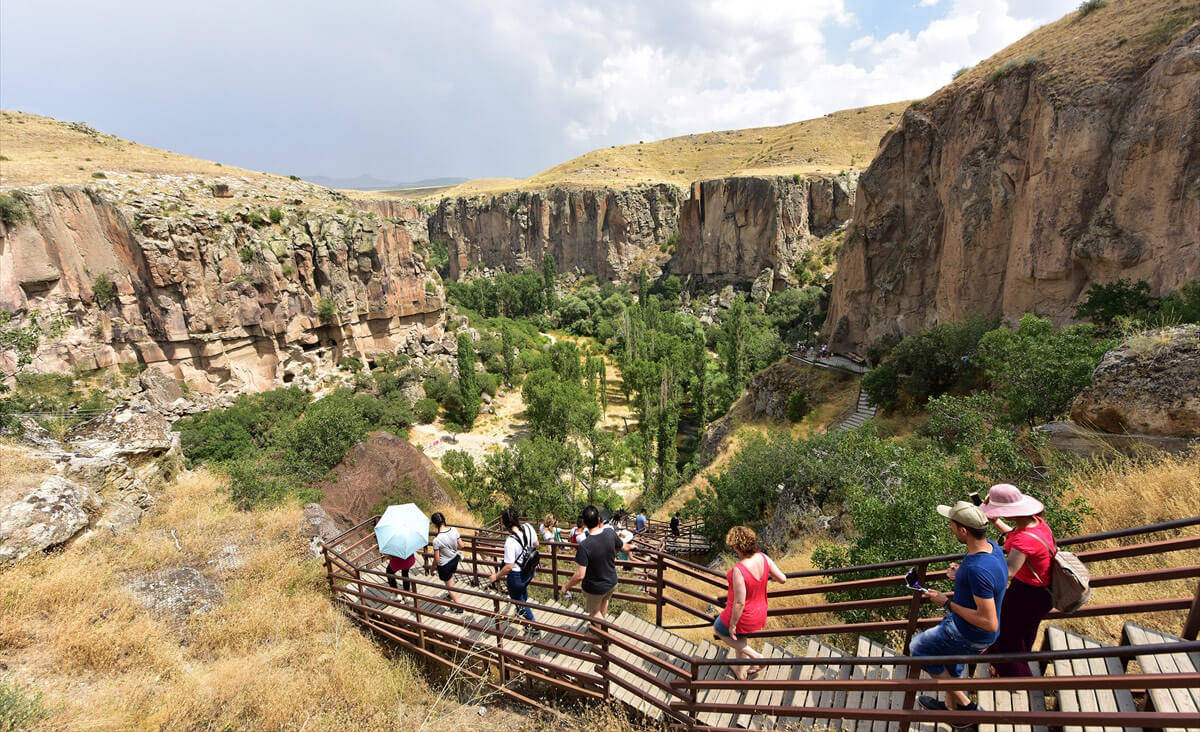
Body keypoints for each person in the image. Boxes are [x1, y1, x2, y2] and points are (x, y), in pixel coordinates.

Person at [913, 501, 1008, 719]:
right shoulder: (992, 548)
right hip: (970, 629)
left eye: (952, 525)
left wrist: (945, 602)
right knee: (950, 660)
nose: (950, 528)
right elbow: (990, 580)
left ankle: (967, 709)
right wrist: (960, 573)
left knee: (920, 650)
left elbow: (989, 622)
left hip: (972, 633)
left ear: (963, 530)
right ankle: (950, 707)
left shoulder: (976, 569)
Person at [981, 484, 1057, 677]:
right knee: (1022, 631)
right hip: (1040, 591)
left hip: (1029, 594)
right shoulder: (1035, 523)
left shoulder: (1024, 540)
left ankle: (1017, 677)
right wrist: (996, 521)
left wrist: (973, 572)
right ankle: (1001, 661)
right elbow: (1015, 536)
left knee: (1009, 636)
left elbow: (1009, 571)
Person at [713, 526, 787, 681]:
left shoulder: (739, 570)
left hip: (743, 615)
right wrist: (769, 577)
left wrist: (732, 623)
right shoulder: (764, 558)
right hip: (759, 612)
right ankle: (740, 671)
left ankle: (756, 657)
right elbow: (782, 578)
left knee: (719, 629)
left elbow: (739, 602)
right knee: (739, 638)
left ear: (736, 547)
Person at [563, 505, 631, 624]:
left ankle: (605, 636)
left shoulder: (585, 545)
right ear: (599, 520)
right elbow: (624, 546)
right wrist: (634, 547)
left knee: (594, 612)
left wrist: (566, 587)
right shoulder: (610, 532)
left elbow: (580, 575)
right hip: (611, 581)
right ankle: (599, 631)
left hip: (595, 587)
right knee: (604, 601)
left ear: (583, 523)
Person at [487, 508, 540, 636]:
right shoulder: (528, 527)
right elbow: (536, 544)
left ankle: (533, 625)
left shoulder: (510, 541)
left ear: (506, 525)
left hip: (517, 576)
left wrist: (496, 576)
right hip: (529, 570)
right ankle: (521, 610)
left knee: (517, 599)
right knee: (521, 592)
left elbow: (509, 566)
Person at [430, 512, 465, 614]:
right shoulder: (454, 530)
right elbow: (462, 545)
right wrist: (453, 549)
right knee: (451, 576)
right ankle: (451, 595)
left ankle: (459, 608)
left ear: (435, 524)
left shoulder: (437, 540)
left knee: (449, 587)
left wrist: (432, 569)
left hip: (444, 565)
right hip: (454, 559)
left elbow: (436, 559)